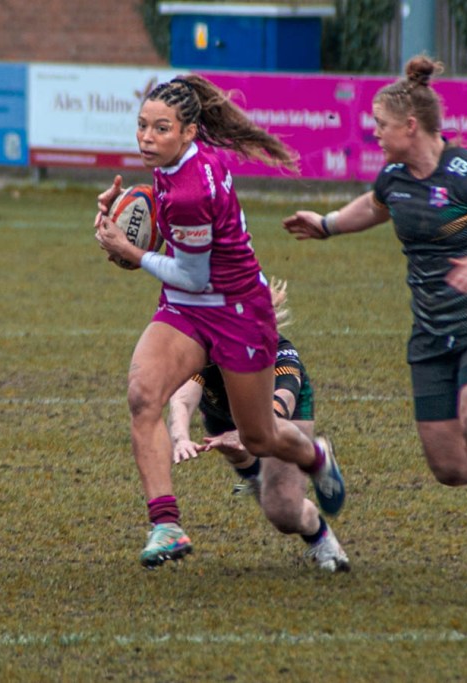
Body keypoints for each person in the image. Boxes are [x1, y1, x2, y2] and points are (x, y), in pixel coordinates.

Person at [282, 55, 467, 602]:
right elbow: (378, 205)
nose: (373, 133)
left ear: (410, 126)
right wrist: (328, 225)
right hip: (433, 338)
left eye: (380, 125)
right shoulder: (394, 177)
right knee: (451, 466)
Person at [94, 74, 345, 569]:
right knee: (143, 395)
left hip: (236, 312)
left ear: (188, 132)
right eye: (142, 126)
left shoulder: (192, 188)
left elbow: (192, 273)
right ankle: (166, 524)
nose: (146, 137)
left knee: (260, 437)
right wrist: (117, 221)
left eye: (160, 128)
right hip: (187, 307)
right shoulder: (173, 166)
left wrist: (131, 250)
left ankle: (315, 456)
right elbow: (173, 254)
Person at [167, 279, 350, 573]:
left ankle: (320, 530)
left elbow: (282, 404)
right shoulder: (205, 351)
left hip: (278, 418)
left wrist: (247, 432)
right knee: (245, 460)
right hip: (222, 417)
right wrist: (180, 437)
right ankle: (255, 474)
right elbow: (182, 398)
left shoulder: (276, 350)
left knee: (283, 511)